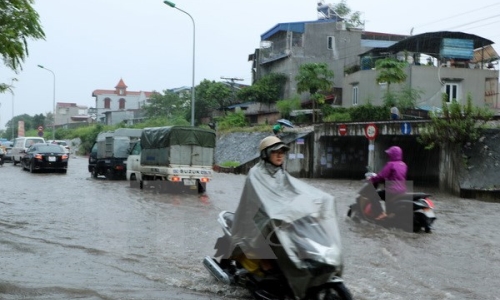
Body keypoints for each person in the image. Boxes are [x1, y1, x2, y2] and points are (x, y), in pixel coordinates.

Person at [369, 146, 407, 220]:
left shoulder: (391, 164)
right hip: (402, 190)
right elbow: (397, 176)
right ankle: (389, 213)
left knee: (374, 196)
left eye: (389, 154)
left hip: (393, 190)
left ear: (392, 155)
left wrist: (371, 179)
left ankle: (381, 213)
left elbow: (381, 176)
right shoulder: (404, 165)